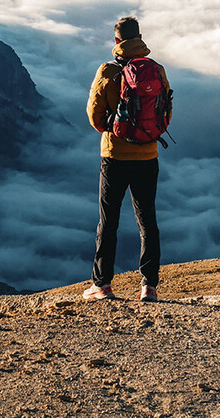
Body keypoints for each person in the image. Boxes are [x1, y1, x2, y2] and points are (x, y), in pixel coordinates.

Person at [84, 16, 172, 302]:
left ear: (116, 41)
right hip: (148, 156)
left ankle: (103, 285)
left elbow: (94, 116)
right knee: (147, 219)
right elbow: (165, 115)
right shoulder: (157, 70)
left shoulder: (108, 71)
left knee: (108, 222)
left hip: (115, 156)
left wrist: (114, 130)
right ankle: (149, 286)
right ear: (140, 37)